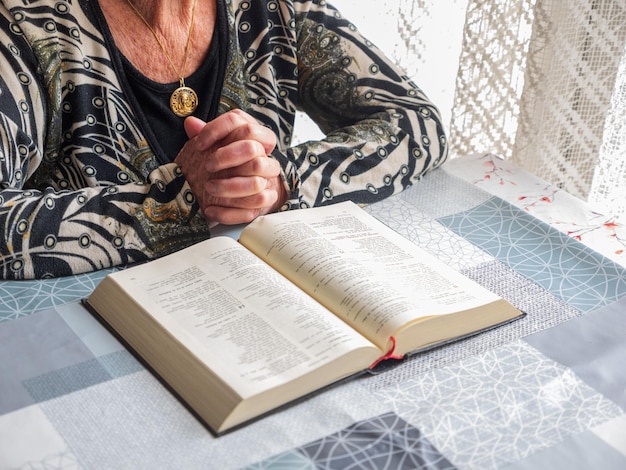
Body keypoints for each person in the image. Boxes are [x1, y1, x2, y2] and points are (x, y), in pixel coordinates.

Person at [0, 0, 448, 280]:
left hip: (258, 303)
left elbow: (416, 123)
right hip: (88, 327)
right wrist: (178, 202)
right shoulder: (25, 27)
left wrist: (279, 180)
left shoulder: (274, 8)